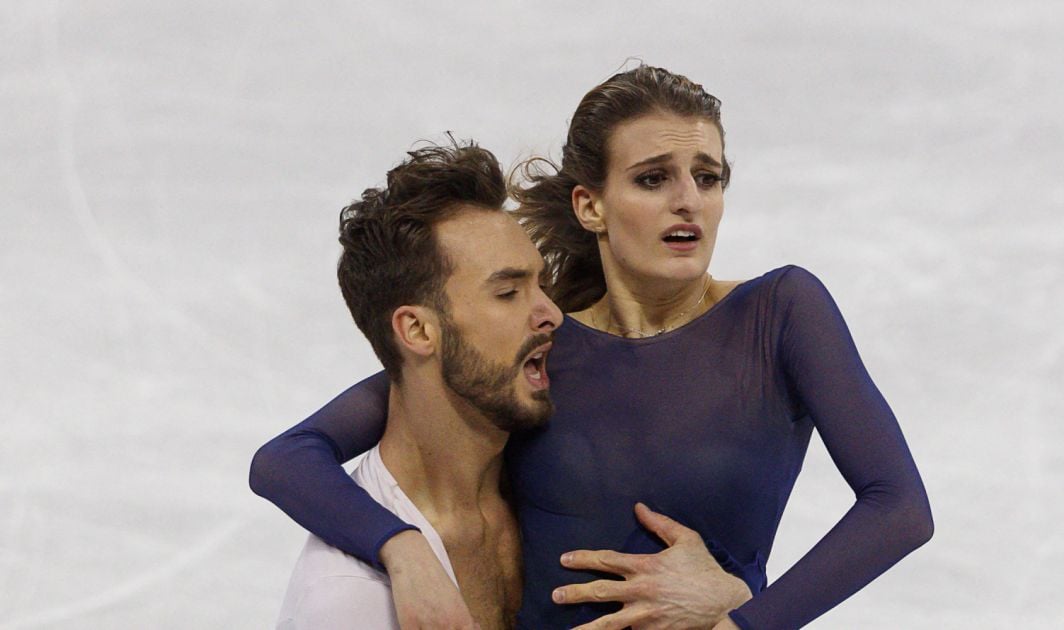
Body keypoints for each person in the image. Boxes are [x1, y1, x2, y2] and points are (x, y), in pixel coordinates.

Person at [252, 65, 934, 629]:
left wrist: (741, 618)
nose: (688, 201)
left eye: (708, 176)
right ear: (590, 206)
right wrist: (401, 548)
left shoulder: (781, 313)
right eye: (652, 178)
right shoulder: (538, 348)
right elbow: (287, 458)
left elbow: (899, 507)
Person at [274, 140, 563, 629]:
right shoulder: (349, 604)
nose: (552, 315)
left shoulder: (557, 468)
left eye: (543, 285)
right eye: (509, 293)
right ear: (418, 331)